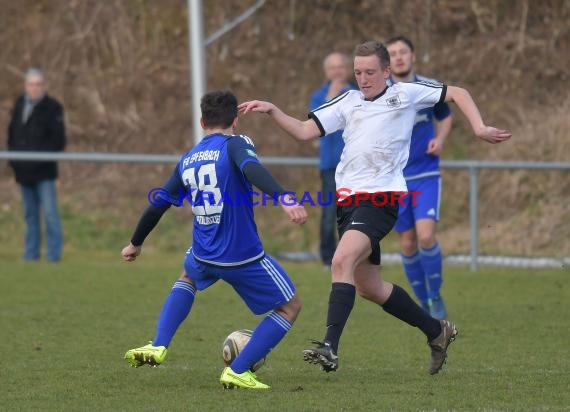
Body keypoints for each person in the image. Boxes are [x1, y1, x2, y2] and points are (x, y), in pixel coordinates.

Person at [239, 41, 511, 374]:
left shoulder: (406, 93)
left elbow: (458, 92)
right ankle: (437, 331)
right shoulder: (349, 101)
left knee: (341, 260)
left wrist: (479, 127)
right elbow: (304, 131)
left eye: (370, 72)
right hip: (347, 202)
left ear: (386, 71)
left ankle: (330, 347)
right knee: (369, 287)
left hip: (380, 198)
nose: (363, 78)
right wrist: (272, 110)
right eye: (358, 72)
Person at [121, 90, 307, 390]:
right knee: (290, 306)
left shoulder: (188, 159)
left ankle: (158, 344)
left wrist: (136, 242)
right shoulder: (237, 144)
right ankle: (239, 369)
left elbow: (159, 204)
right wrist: (284, 197)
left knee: (188, 276)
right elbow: (252, 168)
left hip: (203, 254)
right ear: (235, 121)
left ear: (201, 121)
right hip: (241, 256)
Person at [385, 35, 453, 319]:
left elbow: (446, 114)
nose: (399, 57)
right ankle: (423, 300)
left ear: (413, 56)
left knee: (426, 237)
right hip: (395, 180)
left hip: (425, 173)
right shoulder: (379, 94)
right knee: (408, 243)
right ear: (386, 63)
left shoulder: (428, 87)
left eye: (403, 52)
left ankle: (436, 296)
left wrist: (440, 138)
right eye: (393, 54)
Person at [7, 68, 66, 262]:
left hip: (44, 172)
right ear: (26, 86)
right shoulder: (19, 105)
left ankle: (53, 256)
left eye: (38, 84)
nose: (34, 88)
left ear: (44, 86)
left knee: (50, 215)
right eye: (31, 84)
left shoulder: (53, 108)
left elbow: (58, 140)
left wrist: (38, 160)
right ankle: (30, 255)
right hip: (23, 173)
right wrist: (15, 161)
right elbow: (13, 135)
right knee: (30, 216)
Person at [310, 52, 358, 270]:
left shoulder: (357, 94)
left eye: (341, 66)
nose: (337, 71)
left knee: (356, 211)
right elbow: (314, 124)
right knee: (330, 212)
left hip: (356, 164)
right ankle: (327, 257)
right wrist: (331, 96)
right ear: (326, 72)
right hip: (330, 165)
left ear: (347, 69)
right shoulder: (319, 95)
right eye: (333, 68)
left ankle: (354, 255)